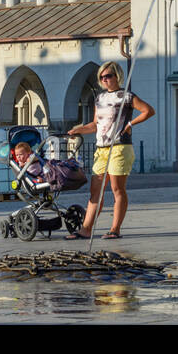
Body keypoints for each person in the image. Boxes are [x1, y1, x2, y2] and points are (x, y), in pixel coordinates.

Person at [64, 60, 154, 240]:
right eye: (102, 77)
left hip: (120, 147)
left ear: (117, 76)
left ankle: (115, 229)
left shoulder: (126, 96)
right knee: (95, 190)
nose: (105, 80)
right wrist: (79, 129)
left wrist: (130, 124)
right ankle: (86, 229)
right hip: (102, 149)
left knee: (116, 189)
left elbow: (148, 111)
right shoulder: (100, 98)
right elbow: (95, 125)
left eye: (108, 76)